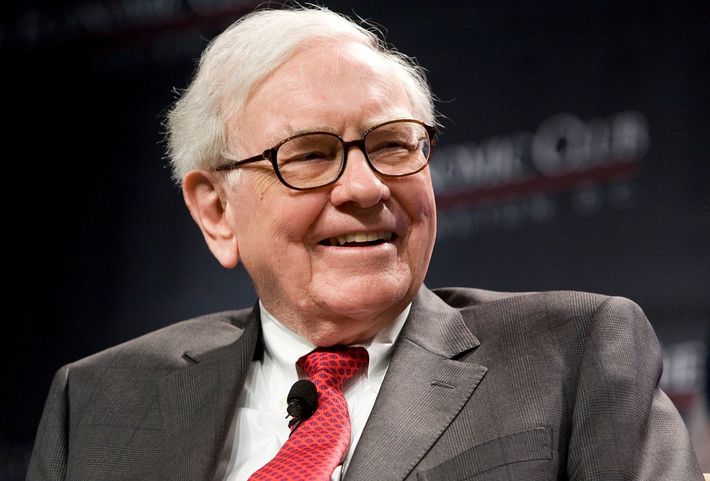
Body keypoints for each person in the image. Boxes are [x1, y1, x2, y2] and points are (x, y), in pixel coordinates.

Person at [27, 6, 703, 481]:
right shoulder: (97, 401)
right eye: (310, 155)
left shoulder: (573, 355)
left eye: (392, 145)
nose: (364, 186)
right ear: (216, 210)